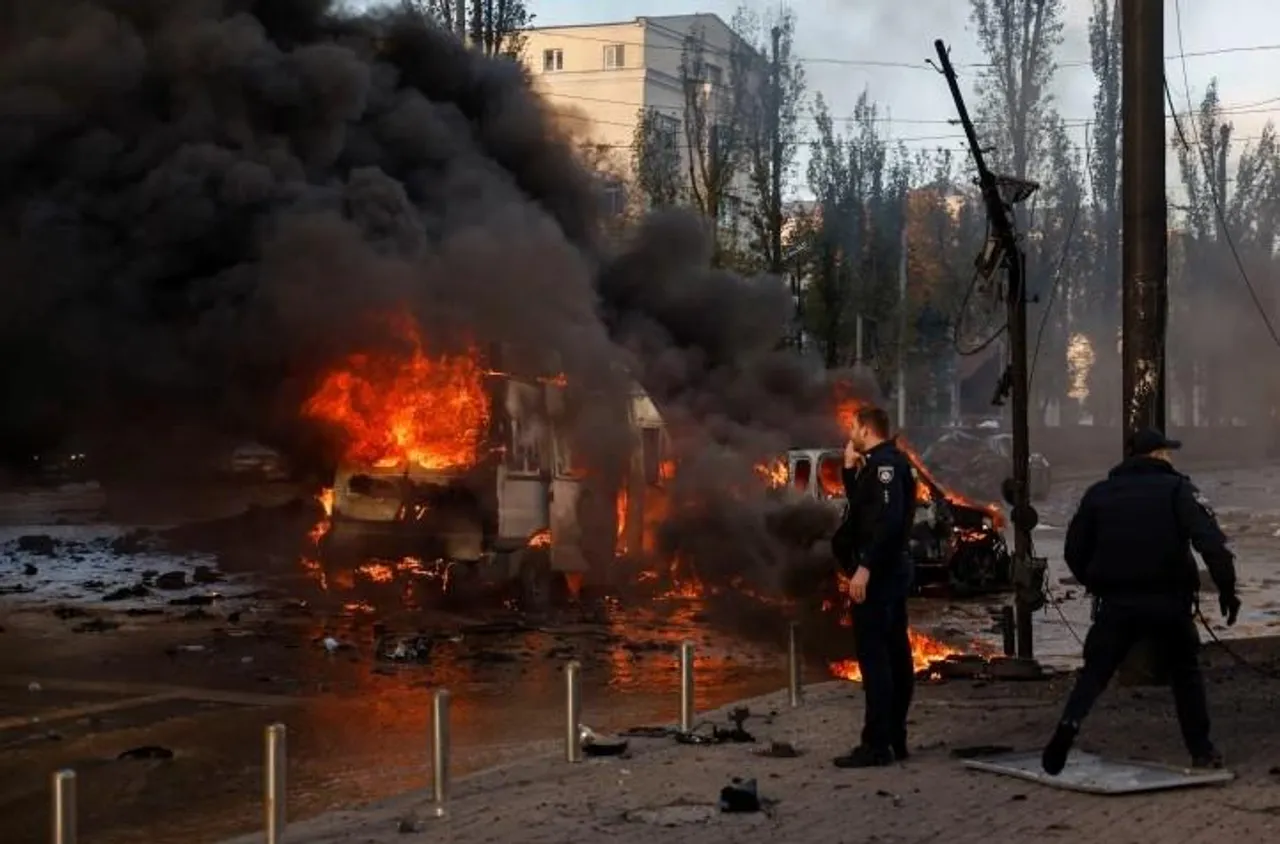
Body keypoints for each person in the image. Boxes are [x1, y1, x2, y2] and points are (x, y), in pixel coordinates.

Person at [1041, 428, 1241, 775]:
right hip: (1169, 602)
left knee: (1095, 672)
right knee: (1185, 673)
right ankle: (1202, 751)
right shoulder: (1179, 490)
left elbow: (1074, 551)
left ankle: (1069, 725)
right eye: (1167, 452)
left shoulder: (1098, 494)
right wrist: (1227, 589)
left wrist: (1098, 582)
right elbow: (1211, 544)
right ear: (1158, 455)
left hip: (1117, 603)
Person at [831, 405, 919, 768]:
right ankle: (894, 739)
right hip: (889, 574)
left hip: (879, 577)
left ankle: (877, 744)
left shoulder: (886, 468)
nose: (849, 431)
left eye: (853, 426)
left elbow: (886, 523)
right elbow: (864, 512)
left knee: (879, 661)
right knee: (895, 654)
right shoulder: (885, 463)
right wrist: (849, 471)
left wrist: (864, 568)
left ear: (865, 429)